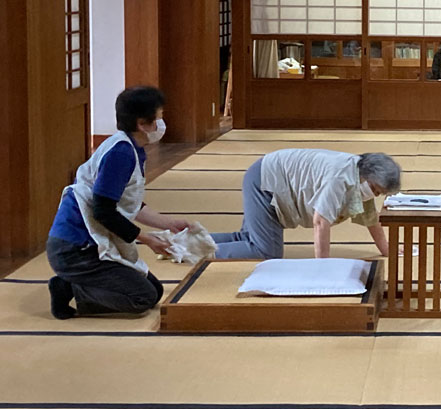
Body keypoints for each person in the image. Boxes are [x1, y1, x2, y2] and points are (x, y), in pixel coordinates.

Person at [46, 86, 191, 319]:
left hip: (90, 241)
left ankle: (79, 285)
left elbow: (126, 202)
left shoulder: (130, 147)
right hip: (76, 248)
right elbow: (104, 210)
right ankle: (70, 288)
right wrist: (146, 239)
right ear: (142, 123)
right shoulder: (120, 153)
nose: (161, 124)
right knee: (142, 298)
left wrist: (168, 223)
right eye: (158, 118)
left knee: (154, 291)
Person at [210, 149, 402, 260]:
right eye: (375, 189)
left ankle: (195, 240)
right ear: (367, 176)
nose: (375, 195)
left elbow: (370, 219)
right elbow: (321, 221)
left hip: (267, 175)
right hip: (264, 182)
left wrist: (386, 250)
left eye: (379, 193)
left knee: (248, 238)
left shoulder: (360, 178)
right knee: (266, 251)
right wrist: (322, 268)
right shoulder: (340, 176)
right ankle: (198, 251)